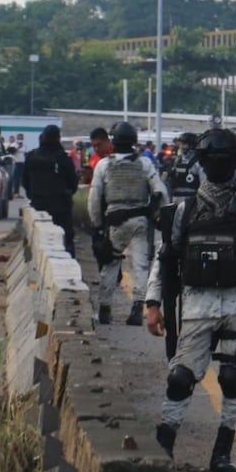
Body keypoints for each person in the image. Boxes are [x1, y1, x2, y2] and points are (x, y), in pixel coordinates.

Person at [144, 128, 236, 472]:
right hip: (196, 307)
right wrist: (152, 301)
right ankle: (164, 447)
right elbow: (165, 259)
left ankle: (222, 453)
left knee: (233, 378)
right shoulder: (183, 210)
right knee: (180, 378)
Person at [88, 122, 170, 326]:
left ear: (113, 141)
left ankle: (105, 309)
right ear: (134, 142)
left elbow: (94, 198)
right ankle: (136, 309)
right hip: (140, 221)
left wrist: (97, 224)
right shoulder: (144, 164)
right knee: (141, 266)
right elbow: (161, 192)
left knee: (110, 264)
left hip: (115, 222)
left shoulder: (104, 165)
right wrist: (159, 217)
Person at [23, 125, 79, 256]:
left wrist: (33, 195)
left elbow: (25, 181)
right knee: (66, 242)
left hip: (38, 206)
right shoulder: (62, 158)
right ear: (58, 138)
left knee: (33, 241)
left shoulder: (32, 156)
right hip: (61, 209)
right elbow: (73, 183)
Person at [165, 133, 203, 201]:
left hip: (191, 201)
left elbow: (204, 184)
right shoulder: (177, 160)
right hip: (176, 199)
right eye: (180, 144)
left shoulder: (198, 162)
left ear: (191, 145)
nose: (181, 147)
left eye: (184, 144)